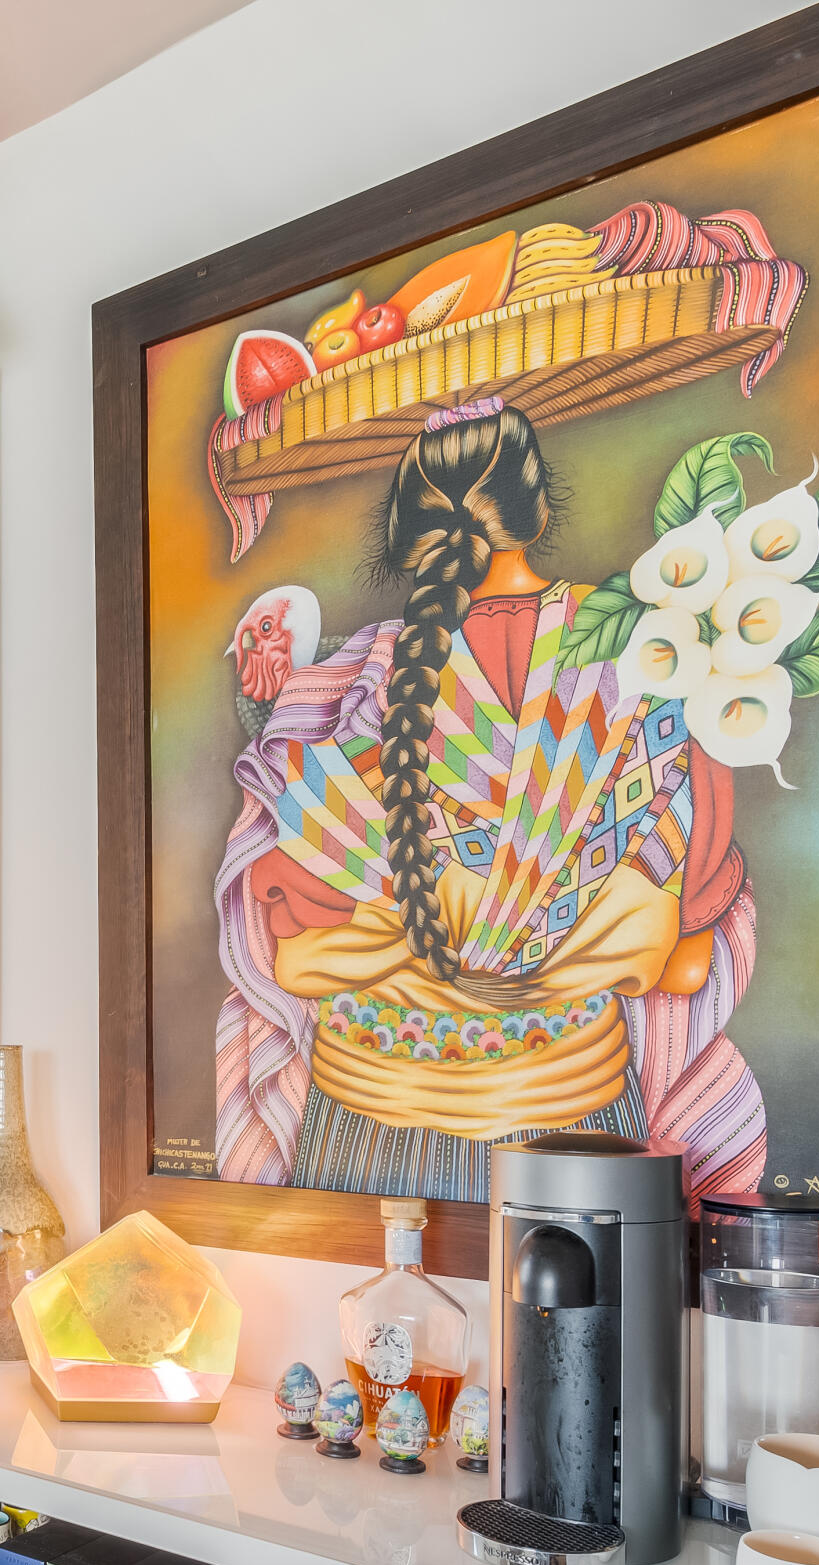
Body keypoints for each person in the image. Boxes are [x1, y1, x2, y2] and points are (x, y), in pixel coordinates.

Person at [212, 403, 765, 1202]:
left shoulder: (351, 687)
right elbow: (680, 960)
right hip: (575, 1143)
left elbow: (288, 931)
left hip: (365, 1140)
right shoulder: (649, 659)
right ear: (531, 508)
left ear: (412, 528)